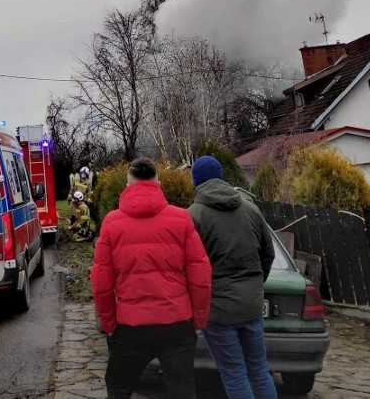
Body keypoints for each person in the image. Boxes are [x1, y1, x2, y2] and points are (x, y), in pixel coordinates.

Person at [91, 158, 211, 399]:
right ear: (158, 183)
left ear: (127, 186)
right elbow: (200, 274)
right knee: (183, 391)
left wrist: (110, 324)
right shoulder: (180, 219)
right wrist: (197, 320)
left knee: (118, 388)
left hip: (130, 325)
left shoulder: (112, 223)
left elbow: (101, 283)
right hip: (176, 323)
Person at [188, 155, 277, 399]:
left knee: (234, 372)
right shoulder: (251, 209)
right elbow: (268, 255)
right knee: (259, 370)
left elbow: (189, 266)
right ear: (222, 177)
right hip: (251, 305)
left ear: (195, 181)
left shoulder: (193, 216)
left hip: (218, 309)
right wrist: (256, 285)